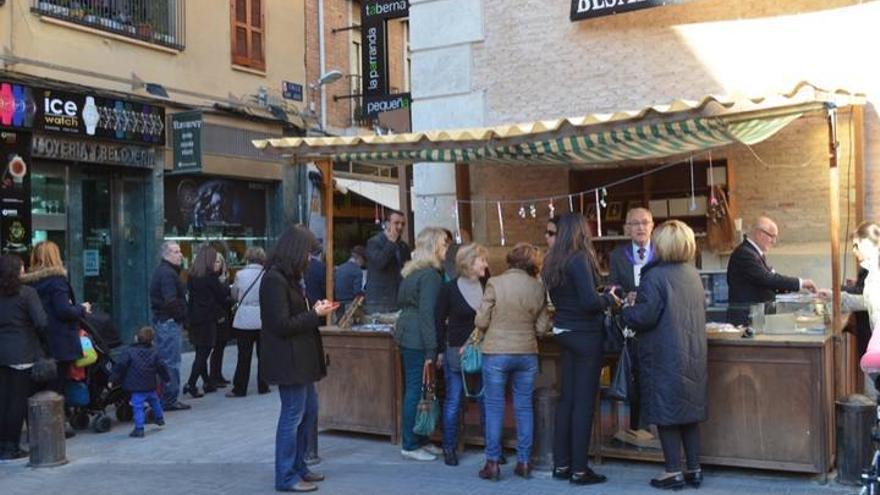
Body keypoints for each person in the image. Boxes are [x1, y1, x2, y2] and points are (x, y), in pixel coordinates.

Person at [621, 220, 708, 490]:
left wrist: (624, 309)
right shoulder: (692, 273)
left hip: (664, 352)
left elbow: (645, 317)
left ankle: (672, 471)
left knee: (667, 411)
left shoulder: (655, 276)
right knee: (688, 413)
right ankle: (693, 468)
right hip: (692, 352)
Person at [261, 225, 335, 493]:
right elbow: (280, 324)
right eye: (307, 253)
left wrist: (315, 309)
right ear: (295, 251)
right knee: (293, 414)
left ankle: (299, 466)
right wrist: (315, 315)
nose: (309, 259)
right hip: (288, 360)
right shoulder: (274, 280)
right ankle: (286, 476)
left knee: (309, 412)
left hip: (301, 359)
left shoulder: (291, 278)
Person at [543, 213, 614, 485]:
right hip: (585, 336)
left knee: (567, 402)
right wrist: (610, 298)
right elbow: (588, 302)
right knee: (583, 405)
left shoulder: (553, 261)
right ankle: (580, 470)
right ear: (580, 231)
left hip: (563, 331)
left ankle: (562, 465)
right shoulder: (579, 259)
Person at [475, 243, 551, 481]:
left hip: (496, 352)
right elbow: (541, 328)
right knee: (524, 407)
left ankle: (492, 463)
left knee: (495, 407)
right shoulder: (538, 287)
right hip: (527, 352)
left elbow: (481, 321)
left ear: (510, 260)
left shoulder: (495, 282)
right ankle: (525, 462)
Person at [23, 241, 92, 434]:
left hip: (37, 341)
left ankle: (36, 428)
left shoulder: (28, 282)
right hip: (60, 340)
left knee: (37, 386)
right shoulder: (57, 281)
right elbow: (63, 310)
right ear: (55, 256)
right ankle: (54, 429)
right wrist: (82, 309)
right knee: (56, 385)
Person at [395, 227, 448, 461]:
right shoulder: (430, 276)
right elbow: (428, 314)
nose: (447, 248)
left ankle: (420, 439)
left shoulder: (412, 274)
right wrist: (432, 349)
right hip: (418, 339)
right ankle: (409, 443)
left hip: (407, 334)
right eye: (444, 244)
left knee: (419, 390)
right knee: (417, 391)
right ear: (434, 247)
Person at [434, 243, 489, 466]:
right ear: (469, 263)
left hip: (485, 348)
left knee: (486, 399)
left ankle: (491, 446)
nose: (485, 263)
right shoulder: (449, 289)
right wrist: (438, 351)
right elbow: (438, 321)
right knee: (454, 399)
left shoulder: (487, 284)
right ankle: (449, 446)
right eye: (481, 260)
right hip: (456, 348)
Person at [607, 207, 655, 437]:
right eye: (635, 223)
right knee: (635, 377)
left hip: (656, 326)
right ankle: (637, 429)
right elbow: (612, 287)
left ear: (652, 226)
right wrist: (626, 295)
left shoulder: (662, 252)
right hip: (630, 328)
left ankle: (656, 428)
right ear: (627, 228)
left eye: (645, 222)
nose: (640, 227)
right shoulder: (618, 255)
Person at [726, 216, 817, 325]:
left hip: (756, 317)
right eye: (772, 236)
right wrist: (801, 283)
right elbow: (768, 279)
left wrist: (802, 291)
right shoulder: (745, 254)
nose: (774, 241)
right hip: (746, 320)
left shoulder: (755, 253)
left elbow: (771, 282)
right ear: (760, 234)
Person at [0, 255, 48, 460]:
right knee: (17, 401)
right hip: (22, 351)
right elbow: (41, 322)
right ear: (17, 271)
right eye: (22, 268)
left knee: (3, 399)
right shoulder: (27, 293)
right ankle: (10, 446)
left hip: (2, 353)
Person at [184, 245, 231, 398]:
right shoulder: (210, 277)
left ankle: (206, 382)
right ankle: (191, 383)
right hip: (208, 319)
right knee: (204, 352)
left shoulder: (192, 276)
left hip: (194, 318)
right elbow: (222, 294)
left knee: (200, 351)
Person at [149, 241, 191, 411]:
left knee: (168, 360)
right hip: (168, 322)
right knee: (171, 361)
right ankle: (169, 399)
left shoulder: (166, 272)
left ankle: (166, 396)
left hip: (165, 321)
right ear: (166, 255)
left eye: (180, 251)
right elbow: (170, 300)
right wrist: (182, 317)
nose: (180, 254)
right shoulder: (167, 274)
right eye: (175, 251)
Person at [111, 326, 170, 438]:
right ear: (152, 340)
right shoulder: (154, 353)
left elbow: (121, 366)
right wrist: (166, 378)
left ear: (136, 338)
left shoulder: (129, 352)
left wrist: (113, 378)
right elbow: (161, 367)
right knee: (155, 401)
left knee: (137, 406)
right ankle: (159, 418)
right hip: (150, 384)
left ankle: (139, 428)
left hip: (136, 386)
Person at [228, 247, 269, 398]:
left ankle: (240, 388)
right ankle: (263, 385)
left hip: (244, 318)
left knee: (243, 355)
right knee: (262, 354)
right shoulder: (266, 274)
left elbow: (234, 294)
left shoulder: (240, 274)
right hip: (262, 318)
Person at [365, 210, 411, 313]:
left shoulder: (403, 246)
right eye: (396, 223)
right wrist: (391, 242)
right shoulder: (374, 242)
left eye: (403, 224)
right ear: (387, 224)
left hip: (398, 298)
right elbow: (380, 263)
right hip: (379, 299)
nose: (400, 227)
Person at [208, 253, 233, 388]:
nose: (216, 264)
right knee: (216, 347)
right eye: (215, 262)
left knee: (221, 347)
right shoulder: (212, 279)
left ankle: (218, 374)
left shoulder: (223, 278)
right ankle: (213, 376)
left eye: (219, 262)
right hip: (217, 317)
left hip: (225, 315)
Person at [333, 245, 365, 313]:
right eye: (363, 261)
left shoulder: (340, 268)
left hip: (338, 304)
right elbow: (357, 291)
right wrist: (365, 294)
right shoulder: (357, 271)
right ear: (360, 258)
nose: (362, 264)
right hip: (350, 305)